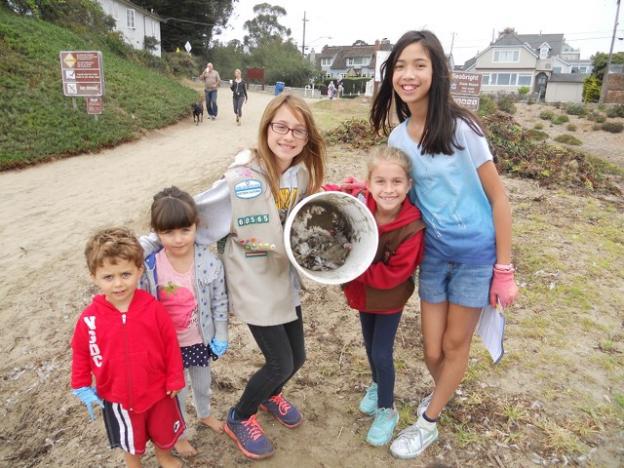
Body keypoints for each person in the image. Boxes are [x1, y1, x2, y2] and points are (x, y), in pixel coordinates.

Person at [369, 30, 519, 459]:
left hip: (475, 258)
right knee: (431, 348)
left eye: (419, 64)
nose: (408, 74)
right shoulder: (398, 139)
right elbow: (400, 194)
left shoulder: (461, 127)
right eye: (400, 66)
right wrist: (364, 199)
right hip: (433, 255)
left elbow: (499, 197)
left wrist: (503, 268)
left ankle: (428, 421)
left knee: (455, 346)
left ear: (437, 72)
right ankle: (442, 396)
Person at [189, 93, 326, 459]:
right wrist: (153, 242)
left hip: (284, 278)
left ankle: (271, 395)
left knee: (297, 358)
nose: (289, 136)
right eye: (281, 126)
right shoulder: (240, 176)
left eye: (299, 130)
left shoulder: (298, 173)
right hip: (253, 281)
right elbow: (195, 214)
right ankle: (240, 415)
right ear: (266, 127)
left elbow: (302, 219)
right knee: (279, 361)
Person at [327, 147, 425, 446]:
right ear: (369, 183)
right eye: (380, 181)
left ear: (409, 185)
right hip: (363, 296)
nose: (389, 189)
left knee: (382, 352)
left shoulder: (412, 226)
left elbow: (394, 274)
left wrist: (352, 268)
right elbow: (333, 194)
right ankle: (376, 382)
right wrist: (339, 188)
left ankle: (387, 410)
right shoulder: (360, 204)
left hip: (388, 299)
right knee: (369, 346)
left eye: (397, 182)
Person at [71, 228, 185, 468]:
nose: (118, 284)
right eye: (108, 277)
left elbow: (170, 345)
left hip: (159, 391)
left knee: (163, 433)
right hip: (117, 397)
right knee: (130, 441)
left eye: (125, 274)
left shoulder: (153, 308)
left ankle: (164, 457)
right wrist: (80, 384)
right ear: (94, 276)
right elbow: (81, 353)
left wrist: (174, 378)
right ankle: (134, 464)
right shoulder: (89, 319)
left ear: (139, 270)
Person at [139, 186, 229, 457]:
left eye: (184, 230)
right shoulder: (150, 265)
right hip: (167, 347)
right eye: (167, 233)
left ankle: (205, 414)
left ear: (196, 226)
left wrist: (221, 333)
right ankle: (178, 433)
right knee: (175, 393)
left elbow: (219, 301)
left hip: (199, 339)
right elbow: (142, 306)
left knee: (202, 384)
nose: (177, 239)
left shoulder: (209, 262)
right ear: (156, 232)